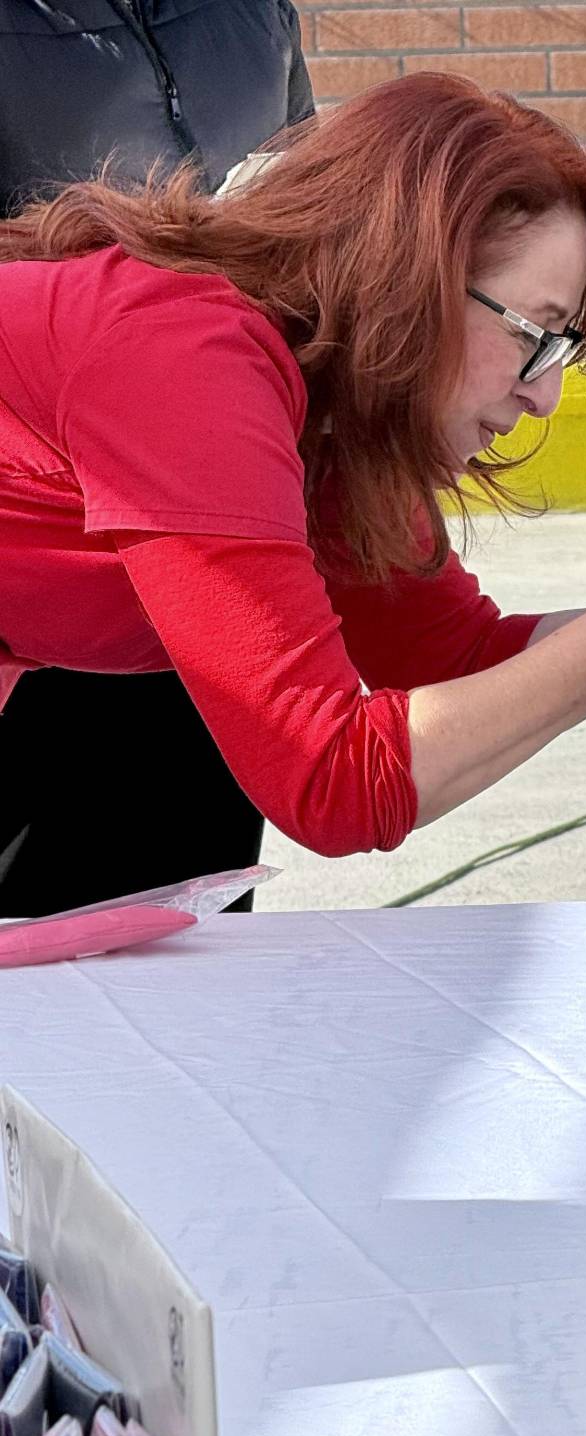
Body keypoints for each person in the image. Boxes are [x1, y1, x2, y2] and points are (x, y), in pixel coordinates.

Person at [0, 73, 586, 916]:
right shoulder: (190, 363)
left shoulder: (335, 421)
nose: (546, 396)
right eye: (536, 336)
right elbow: (331, 781)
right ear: (405, 275)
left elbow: (456, 658)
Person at [0, 0, 315, 910]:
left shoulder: (249, 12)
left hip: (222, 534)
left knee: (192, 918)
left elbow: (299, 206)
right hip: (46, 554)